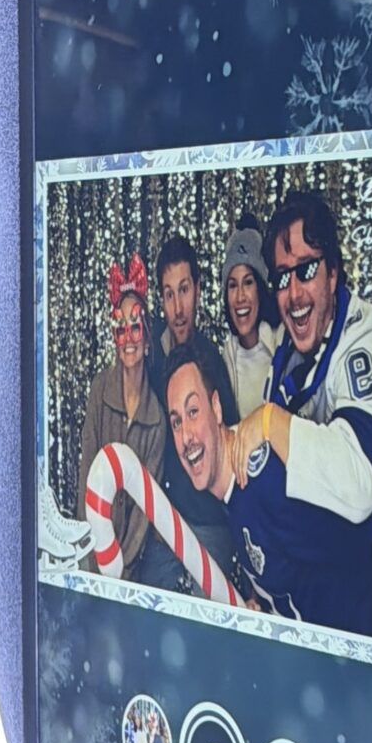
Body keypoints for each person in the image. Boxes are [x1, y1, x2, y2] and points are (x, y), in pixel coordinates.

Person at [226, 187, 372, 646]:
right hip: (355, 556)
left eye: (307, 271)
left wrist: (268, 421)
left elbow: (362, 484)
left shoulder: (368, 341)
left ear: (334, 275)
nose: (294, 293)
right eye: (283, 277)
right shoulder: (288, 349)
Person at [165, 338, 372, 632]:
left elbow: (349, 569)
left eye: (193, 412)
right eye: (176, 422)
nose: (185, 437)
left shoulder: (264, 480)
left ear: (216, 408)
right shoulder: (232, 492)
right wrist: (266, 607)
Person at [75, 256, 181, 589]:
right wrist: (92, 555)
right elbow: (87, 474)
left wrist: (122, 570)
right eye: (120, 329)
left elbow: (144, 513)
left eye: (135, 327)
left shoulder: (157, 419)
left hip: (129, 571)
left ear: (148, 338)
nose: (128, 338)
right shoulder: (99, 391)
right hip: (93, 555)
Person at [149, 233, 238, 587]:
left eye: (184, 289)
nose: (178, 308)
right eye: (169, 294)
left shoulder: (210, 359)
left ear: (198, 289)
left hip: (208, 524)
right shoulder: (149, 356)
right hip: (164, 526)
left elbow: (230, 435)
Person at [220, 215, 280, 417]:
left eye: (248, 283)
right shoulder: (226, 358)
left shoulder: (281, 342)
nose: (240, 297)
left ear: (260, 288)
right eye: (232, 285)